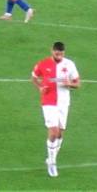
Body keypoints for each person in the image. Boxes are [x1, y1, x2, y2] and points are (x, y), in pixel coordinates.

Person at [31, 42, 80, 178]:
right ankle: (52, 162)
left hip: (64, 103)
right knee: (54, 131)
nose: (59, 56)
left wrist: (68, 83)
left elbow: (77, 83)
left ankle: (51, 157)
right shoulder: (43, 64)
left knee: (60, 134)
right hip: (48, 102)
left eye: (61, 54)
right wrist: (40, 87)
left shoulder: (69, 65)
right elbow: (34, 77)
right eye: (56, 53)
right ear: (52, 51)